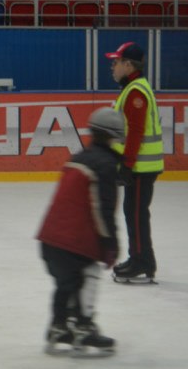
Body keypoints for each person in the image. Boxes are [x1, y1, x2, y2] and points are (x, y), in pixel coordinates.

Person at [36, 108, 124, 355]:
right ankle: (84, 327)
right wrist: (110, 243)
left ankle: (59, 326)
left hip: (50, 237)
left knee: (67, 283)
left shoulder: (78, 157)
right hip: (73, 239)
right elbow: (102, 209)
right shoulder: (105, 165)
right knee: (89, 274)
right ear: (114, 136)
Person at [105, 41, 164, 284]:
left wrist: (127, 165)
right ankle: (139, 258)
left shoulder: (136, 92)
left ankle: (142, 262)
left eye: (116, 62)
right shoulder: (133, 88)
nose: (112, 67)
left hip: (140, 167)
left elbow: (136, 131)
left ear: (129, 65)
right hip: (138, 166)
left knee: (136, 214)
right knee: (134, 212)